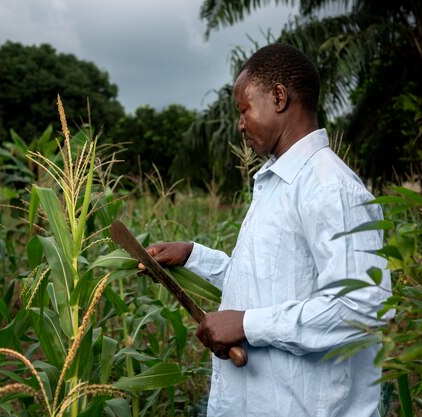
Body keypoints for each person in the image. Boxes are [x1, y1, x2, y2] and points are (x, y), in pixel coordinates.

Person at [142, 43, 392, 417]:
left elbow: (361, 308)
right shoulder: (278, 183)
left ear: (279, 97)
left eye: (244, 109)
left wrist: (246, 323)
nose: (240, 124)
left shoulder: (329, 188)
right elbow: (269, 286)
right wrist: (194, 255)